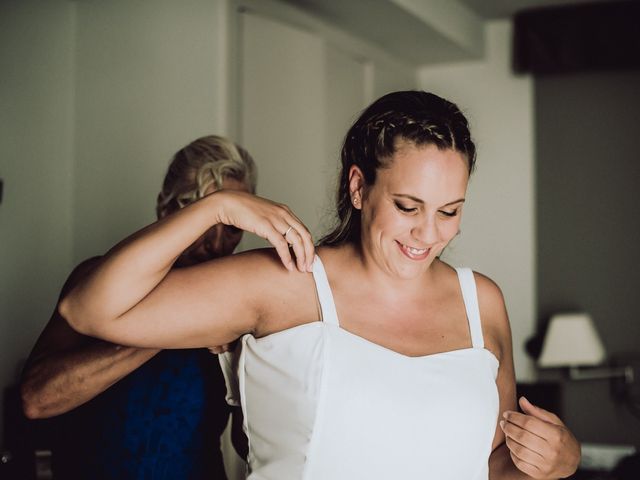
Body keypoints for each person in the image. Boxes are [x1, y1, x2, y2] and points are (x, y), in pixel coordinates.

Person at [60, 91, 581, 479]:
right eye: (407, 207)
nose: (429, 234)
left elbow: (487, 465)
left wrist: (560, 461)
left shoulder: (481, 302)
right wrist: (218, 207)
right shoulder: (284, 282)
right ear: (359, 187)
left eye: (449, 211)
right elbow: (88, 310)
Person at [20, 135, 254, 479]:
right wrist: (173, 324)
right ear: (165, 209)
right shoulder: (95, 287)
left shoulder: (242, 309)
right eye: (202, 220)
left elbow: (247, 446)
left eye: (233, 228)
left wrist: (245, 369)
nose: (217, 245)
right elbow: (36, 399)